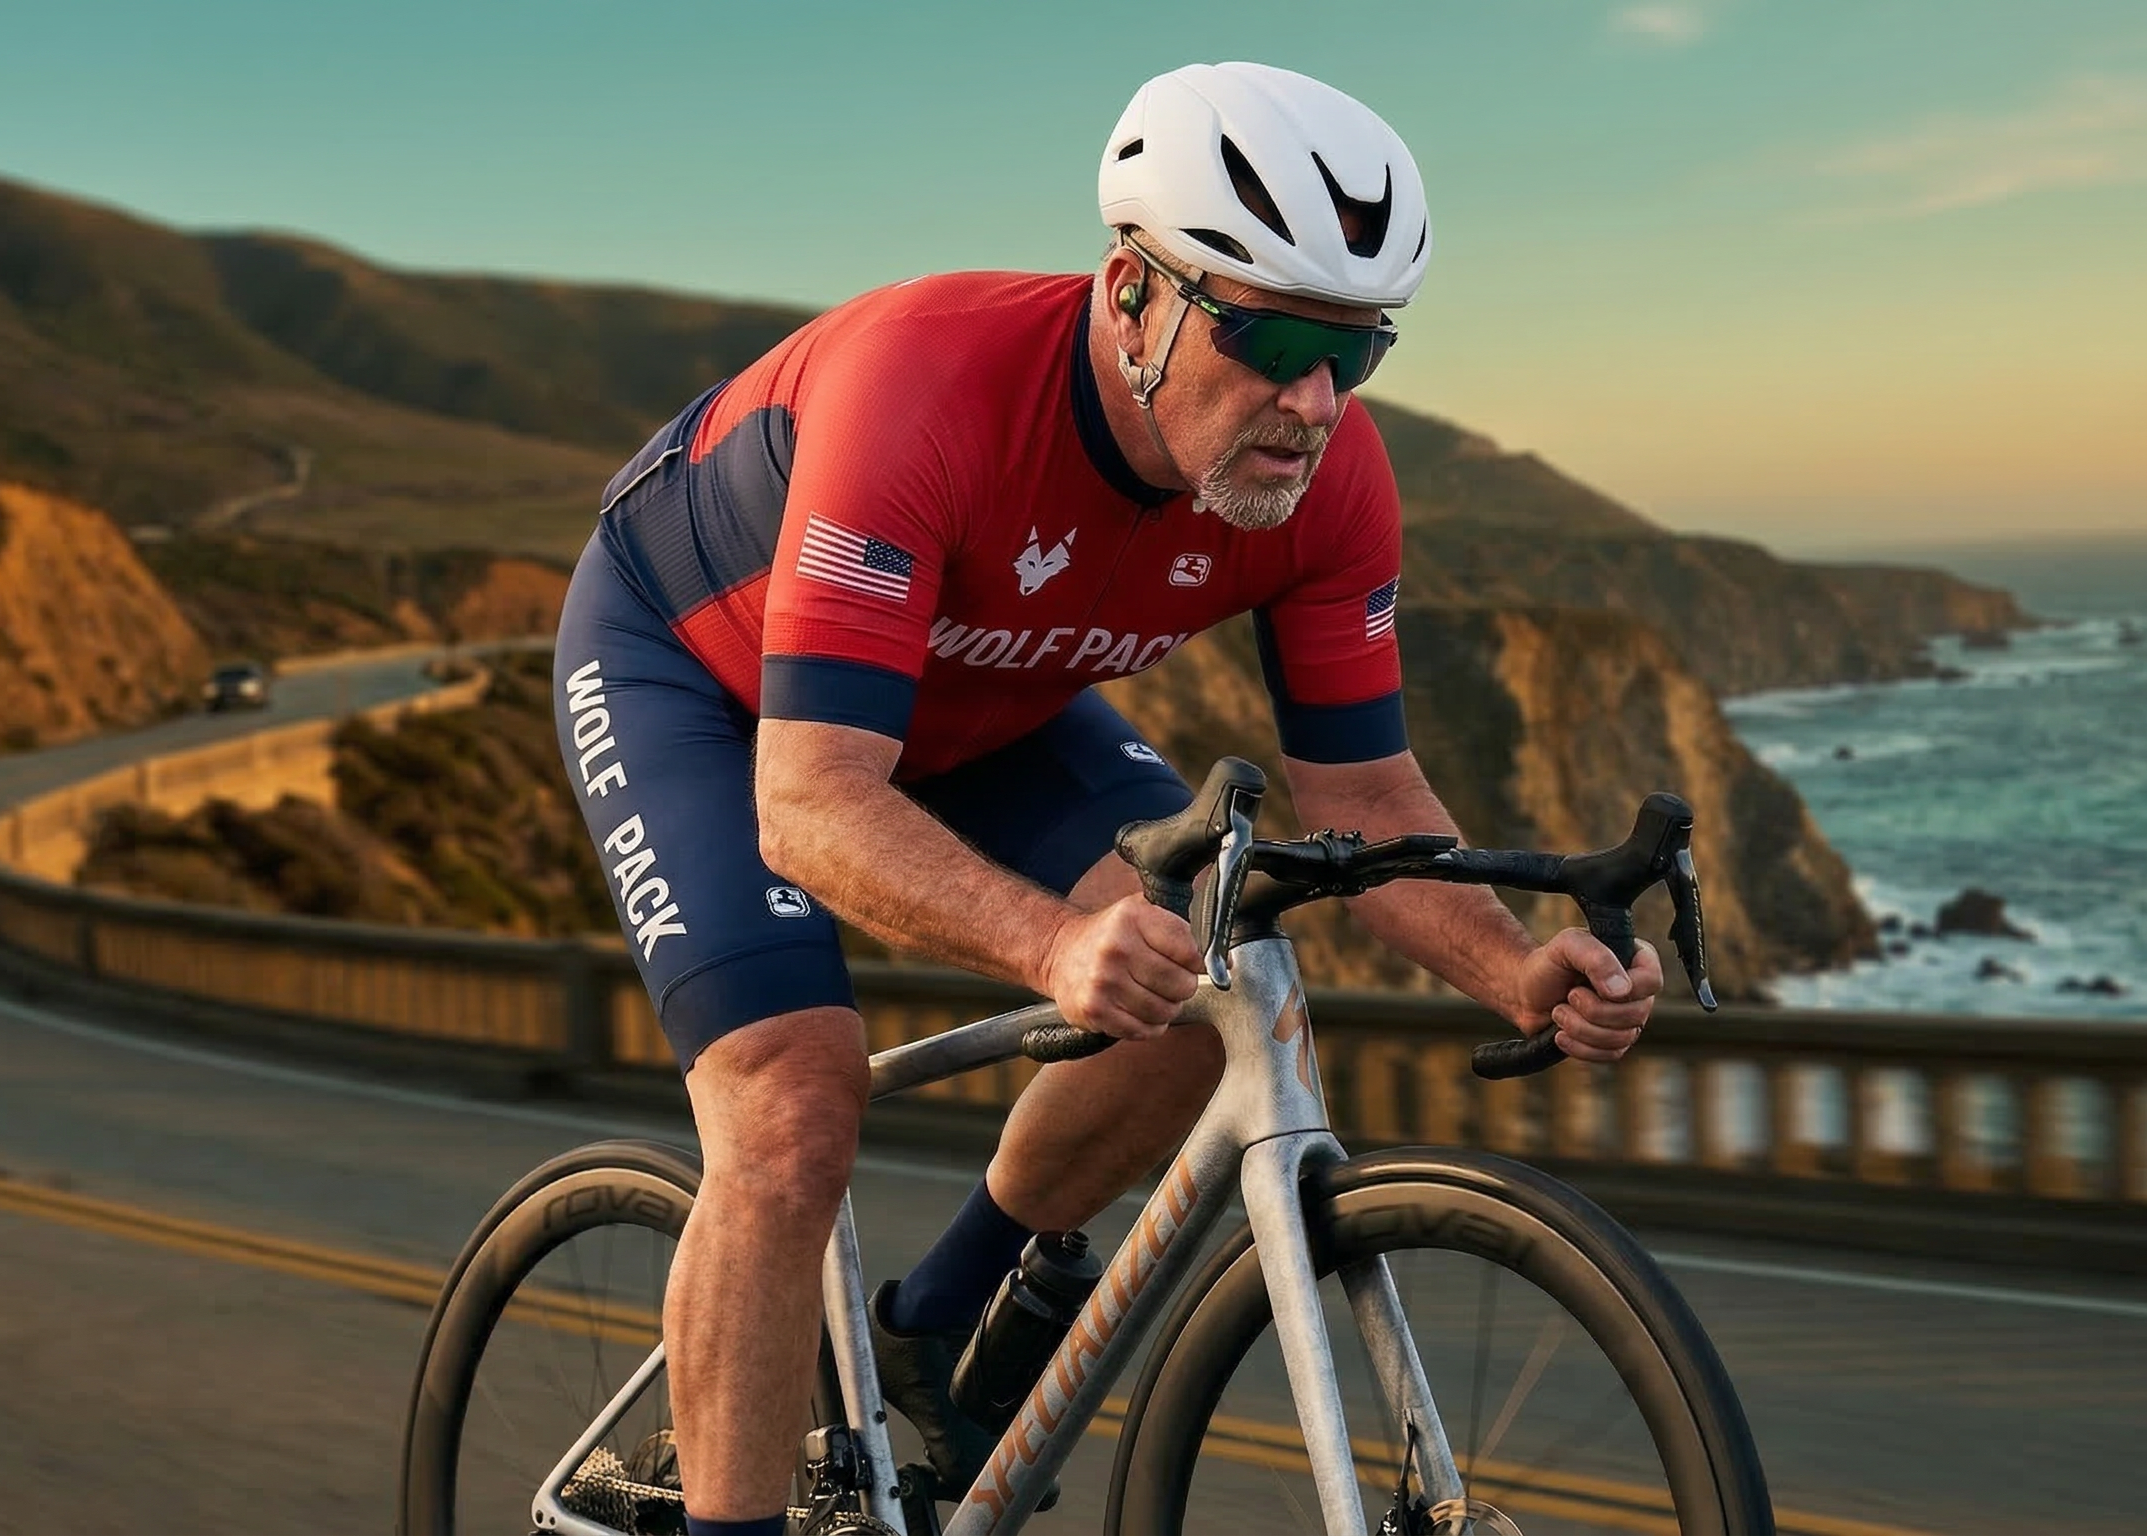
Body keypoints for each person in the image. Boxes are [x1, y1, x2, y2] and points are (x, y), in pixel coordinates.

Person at [552, 60, 1663, 1536]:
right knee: (795, 1105)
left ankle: (926, 1332)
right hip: (699, 677)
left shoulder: (1332, 481)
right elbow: (811, 806)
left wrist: (1512, 968)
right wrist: (1054, 946)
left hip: (985, 696)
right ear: (1133, 293)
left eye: (1357, 351)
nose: (1313, 399)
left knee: (1212, 972)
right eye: (1268, 335)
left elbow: (1363, 781)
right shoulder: (925, 393)